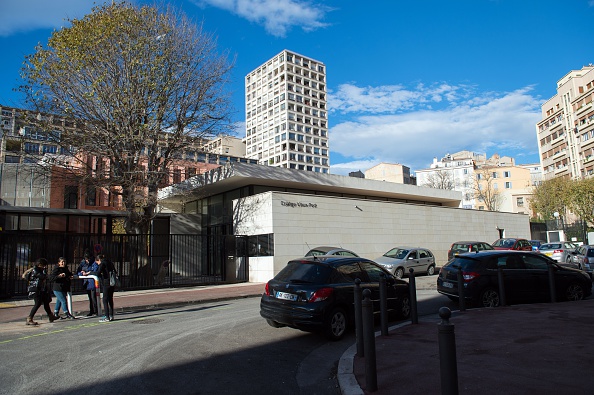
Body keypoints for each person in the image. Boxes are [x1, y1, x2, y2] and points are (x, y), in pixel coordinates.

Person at [25, 258, 57, 325]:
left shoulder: (41, 270)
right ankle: (30, 318)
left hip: (41, 289)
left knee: (46, 302)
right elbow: (42, 277)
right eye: (43, 265)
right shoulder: (36, 270)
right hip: (35, 289)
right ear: (39, 265)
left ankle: (51, 316)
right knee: (38, 303)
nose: (44, 267)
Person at [95, 254, 116, 322]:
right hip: (112, 282)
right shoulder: (110, 262)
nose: (98, 264)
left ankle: (107, 316)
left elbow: (98, 273)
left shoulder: (103, 263)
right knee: (110, 299)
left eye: (97, 263)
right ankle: (111, 315)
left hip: (106, 282)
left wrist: (90, 273)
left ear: (99, 260)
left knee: (105, 299)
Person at [77, 252, 99, 317]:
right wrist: (82, 273)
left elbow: (95, 271)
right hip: (86, 282)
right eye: (86, 259)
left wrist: (89, 273)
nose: (87, 260)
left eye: (88, 259)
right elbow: (78, 272)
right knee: (90, 297)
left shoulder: (94, 263)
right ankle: (91, 311)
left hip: (92, 282)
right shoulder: (83, 263)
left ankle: (96, 310)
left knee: (93, 297)